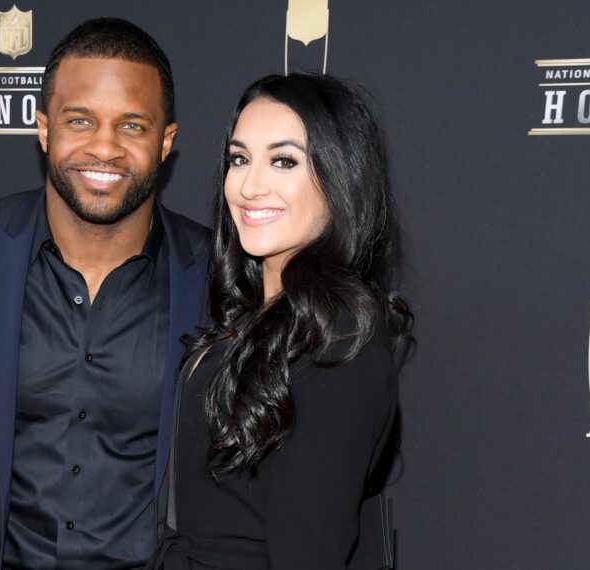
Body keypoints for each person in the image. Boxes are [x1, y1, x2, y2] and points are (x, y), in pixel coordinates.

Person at [0, 18, 209, 570]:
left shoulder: (218, 277)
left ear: (165, 142)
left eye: (133, 126)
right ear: (44, 129)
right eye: (80, 120)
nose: (105, 148)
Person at [148, 72, 412, 569]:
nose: (249, 186)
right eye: (240, 159)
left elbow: (308, 553)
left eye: (284, 161)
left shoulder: (337, 346)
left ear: (339, 178)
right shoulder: (260, 317)